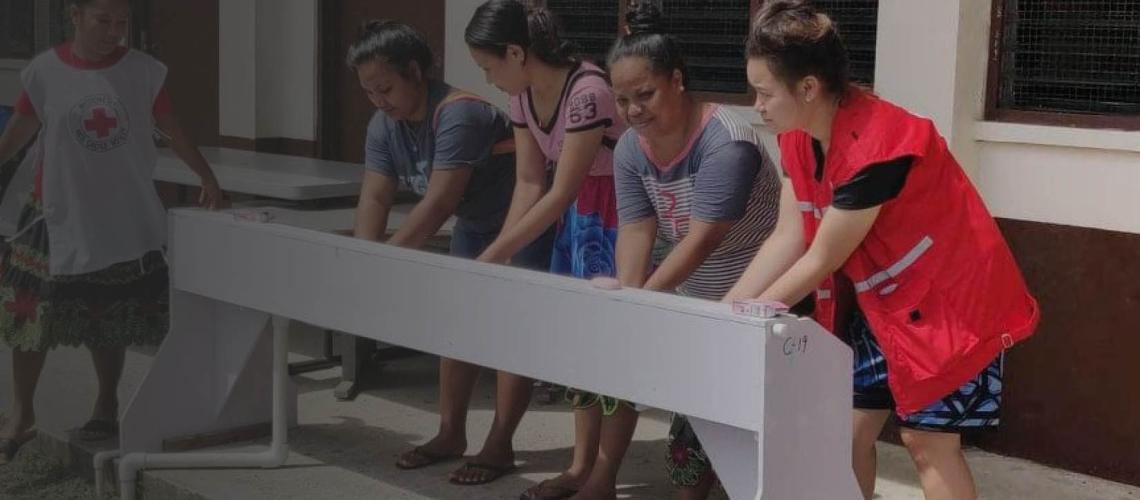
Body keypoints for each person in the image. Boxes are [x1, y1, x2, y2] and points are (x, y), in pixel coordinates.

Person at [727, 2, 1040, 499]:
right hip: (887, 306)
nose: (758, 105)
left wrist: (755, 312)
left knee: (927, 441)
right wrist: (725, 312)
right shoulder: (796, 138)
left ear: (807, 88)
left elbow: (822, 257)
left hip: (951, 306)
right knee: (848, 429)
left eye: (765, 93)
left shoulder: (879, 144)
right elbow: (788, 237)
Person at [570, 3, 784, 498]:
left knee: (738, 423)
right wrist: (628, 298)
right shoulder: (629, 148)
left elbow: (703, 238)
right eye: (622, 101)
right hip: (686, 295)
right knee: (673, 414)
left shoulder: (726, 142)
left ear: (678, 81)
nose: (633, 111)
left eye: (645, 95)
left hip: (750, 297)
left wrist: (644, 300)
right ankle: (601, 478)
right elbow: (637, 230)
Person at [0, 0, 222, 465]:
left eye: (122, 23)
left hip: (117, 213)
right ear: (75, 14)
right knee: (30, 312)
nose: (115, 31)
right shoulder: (43, 72)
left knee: (108, 309)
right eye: (104, 20)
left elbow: (171, 126)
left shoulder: (143, 71)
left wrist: (206, 176)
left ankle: (106, 403)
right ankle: (20, 416)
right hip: (53, 213)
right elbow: (20, 129)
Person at [344, 19, 555, 481]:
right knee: (456, 327)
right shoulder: (384, 125)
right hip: (476, 227)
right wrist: (362, 261)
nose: (379, 100)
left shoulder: (460, 113)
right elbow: (375, 195)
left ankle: (499, 444)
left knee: (511, 332)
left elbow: (439, 201)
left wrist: (385, 263)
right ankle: (450, 432)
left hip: (524, 225)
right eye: (369, 91)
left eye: (386, 87)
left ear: (417, 72)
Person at [464, 0, 628, 492]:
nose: (489, 78)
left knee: (613, 348)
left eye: (489, 66)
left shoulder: (588, 91)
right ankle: (579, 466)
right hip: (576, 222)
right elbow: (530, 182)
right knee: (576, 345)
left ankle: (604, 471)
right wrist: (503, 254)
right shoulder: (522, 96)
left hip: (617, 214)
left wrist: (492, 256)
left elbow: (563, 189)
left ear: (516, 52)